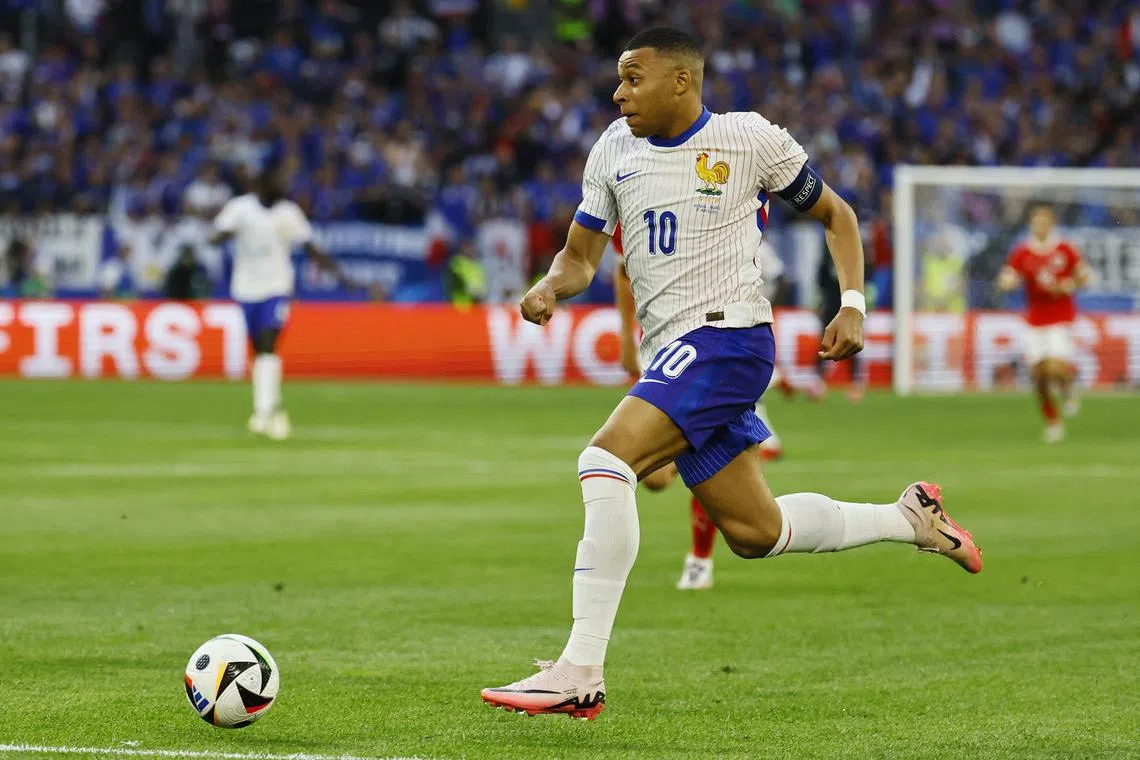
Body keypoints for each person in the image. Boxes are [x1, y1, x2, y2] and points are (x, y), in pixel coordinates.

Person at [480, 27, 982, 721]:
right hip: (676, 354)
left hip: (728, 339)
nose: (618, 91)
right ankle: (909, 519)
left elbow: (838, 216)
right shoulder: (613, 149)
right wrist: (548, 286)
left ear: (681, 81)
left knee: (604, 459)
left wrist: (854, 304)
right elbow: (579, 256)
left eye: (633, 77)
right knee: (756, 532)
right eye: (619, 80)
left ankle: (580, 670)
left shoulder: (749, 138)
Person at [612, 222, 785, 591]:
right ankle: (897, 519)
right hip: (661, 348)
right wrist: (627, 336)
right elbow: (623, 267)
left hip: (716, 346)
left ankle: (699, 559)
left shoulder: (730, 207)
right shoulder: (638, 184)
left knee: (707, 456)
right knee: (656, 477)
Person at [211, 166, 359, 441]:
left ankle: (261, 411)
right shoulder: (240, 208)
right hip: (245, 288)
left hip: (276, 287)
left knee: (268, 343)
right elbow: (216, 234)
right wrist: (223, 234)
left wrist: (341, 276)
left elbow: (310, 246)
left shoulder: (288, 212)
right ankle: (274, 409)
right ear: (262, 183)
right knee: (260, 349)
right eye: (278, 181)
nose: (283, 186)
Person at [996, 204, 1089, 443]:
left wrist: (1068, 285)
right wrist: (1007, 282)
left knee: (1055, 368)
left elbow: (1084, 276)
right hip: (1035, 320)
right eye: (1036, 223)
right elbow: (1007, 276)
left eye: (1044, 222)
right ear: (1031, 225)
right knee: (1038, 376)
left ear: (1051, 224)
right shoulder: (1023, 252)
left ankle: (1068, 389)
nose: (1040, 227)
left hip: (1061, 317)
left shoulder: (1065, 249)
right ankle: (1053, 422)